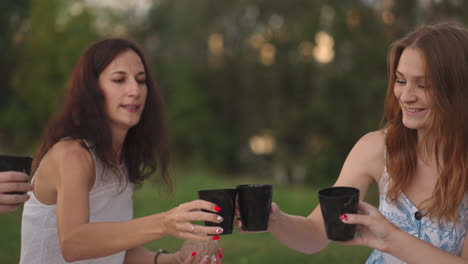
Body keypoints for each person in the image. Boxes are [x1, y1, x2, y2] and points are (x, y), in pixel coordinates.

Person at [236, 23, 468, 263]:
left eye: (423, 85)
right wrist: (275, 219)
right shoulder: (377, 148)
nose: (406, 96)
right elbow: (317, 233)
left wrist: (391, 238)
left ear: (459, 89)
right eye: (400, 81)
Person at [20, 38, 224, 264]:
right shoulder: (72, 155)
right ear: (91, 90)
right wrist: (166, 223)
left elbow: (115, 250)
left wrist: (177, 259)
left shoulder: (119, 159)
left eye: (141, 80)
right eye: (119, 79)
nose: (135, 90)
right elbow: (74, 243)